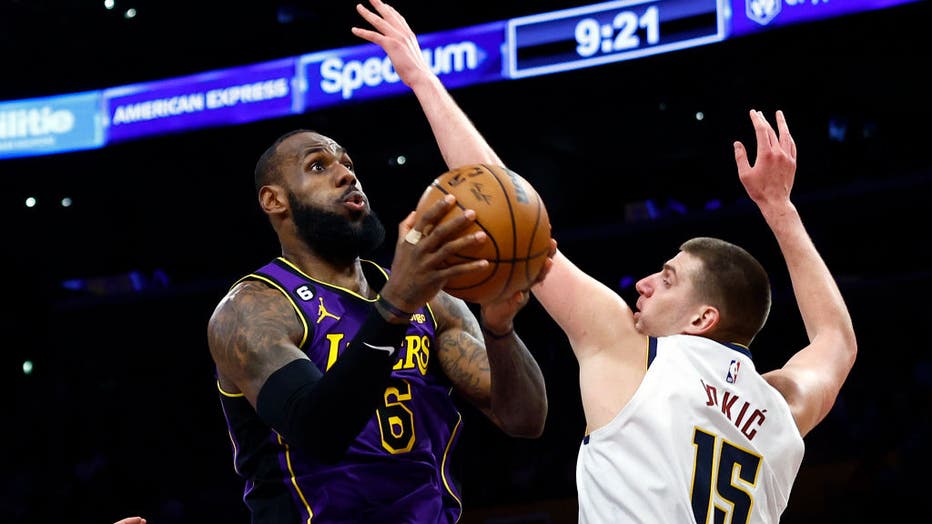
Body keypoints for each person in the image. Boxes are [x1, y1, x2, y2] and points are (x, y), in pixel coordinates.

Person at [358, 2, 858, 518]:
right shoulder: (781, 405)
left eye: (667, 280)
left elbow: (503, 200)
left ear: (702, 318)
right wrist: (780, 211)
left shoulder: (635, 352)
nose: (642, 284)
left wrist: (421, 77)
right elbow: (836, 342)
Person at [205, 1, 552, 523]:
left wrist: (500, 330)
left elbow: (525, 419)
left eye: (348, 163)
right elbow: (318, 432)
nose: (347, 175)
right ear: (274, 201)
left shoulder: (435, 302)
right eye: (318, 166)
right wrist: (394, 306)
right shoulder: (253, 310)